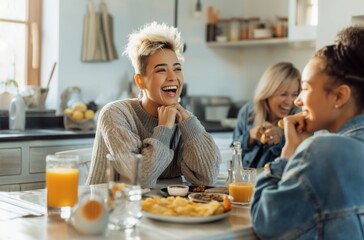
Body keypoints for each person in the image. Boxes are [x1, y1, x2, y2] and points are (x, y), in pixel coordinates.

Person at [251, 25, 364, 239]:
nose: (297, 101)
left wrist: (289, 153)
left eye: (305, 87)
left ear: (339, 96)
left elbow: (266, 222)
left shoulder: (323, 151)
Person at [86, 22, 221, 188]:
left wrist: (191, 125)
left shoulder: (183, 121)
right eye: (161, 70)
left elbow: (207, 178)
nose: (172, 77)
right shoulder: (115, 114)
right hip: (109, 209)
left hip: (163, 210)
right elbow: (139, 181)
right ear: (140, 81)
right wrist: (163, 130)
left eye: (177, 69)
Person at [232, 62, 301, 168]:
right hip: (245, 182)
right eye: (283, 94)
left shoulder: (299, 118)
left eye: (294, 94)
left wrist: (282, 138)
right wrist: (250, 136)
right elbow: (233, 150)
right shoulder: (248, 111)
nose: (289, 102)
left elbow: (298, 163)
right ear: (267, 92)